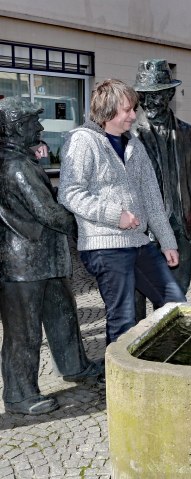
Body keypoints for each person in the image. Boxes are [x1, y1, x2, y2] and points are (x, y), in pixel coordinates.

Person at [58, 79, 186, 346]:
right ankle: (116, 380)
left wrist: (167, 241)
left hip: (139, 243)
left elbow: (152, 197)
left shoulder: (134, 144)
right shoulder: (82, 141)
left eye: (133, 109)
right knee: (123, 317)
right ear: (107, 110)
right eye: (127, 110)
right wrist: (115, 215)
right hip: (105, 246)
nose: (133, 115)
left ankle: (160, 358)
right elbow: (69, 193)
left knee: (175, 301)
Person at [0, 97, 101, 415]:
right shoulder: (14, 166)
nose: (41, 126)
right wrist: (88, 221)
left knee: (64, 315)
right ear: (17, 128)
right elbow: (50, 214)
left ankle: (75, 366)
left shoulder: (22, 159)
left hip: (45, 260)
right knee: (24, 332)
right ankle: (19, 394)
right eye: (34, 121)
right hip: (23, 266)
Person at [132, 59, 191, 295]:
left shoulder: (189, 134)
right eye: (144, 96)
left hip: (183, 222)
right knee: (140, 290)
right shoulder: (131, 135)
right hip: (145, 227)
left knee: (178, 291)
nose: (149, 102)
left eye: (156, 95)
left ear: (169, 94)